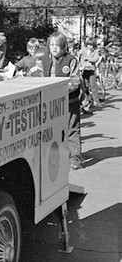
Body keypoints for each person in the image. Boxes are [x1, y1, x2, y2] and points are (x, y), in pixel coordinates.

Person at [44, 31, 83, 170]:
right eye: (52, 45)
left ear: (64, 46)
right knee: (54, 131)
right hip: (51, 103)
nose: (54, 48)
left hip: (69, 102)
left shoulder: (71, 60)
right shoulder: (45, 60)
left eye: (58, 45)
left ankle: (75, 159)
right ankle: (58, 156)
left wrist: (61, 91)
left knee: (72, 129)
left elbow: (75, 80)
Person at [78, 37, 101, 110]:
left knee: (93, 85)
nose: (90, 47)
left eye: (91, 45)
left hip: (91, 70)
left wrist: (88, 59)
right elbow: (79, 53)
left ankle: (96, 100)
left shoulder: (96, 51)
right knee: (85, 87)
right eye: (88, 45)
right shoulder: (84, 50)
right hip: (84, 70)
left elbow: (95, 59)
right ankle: (86, 101)